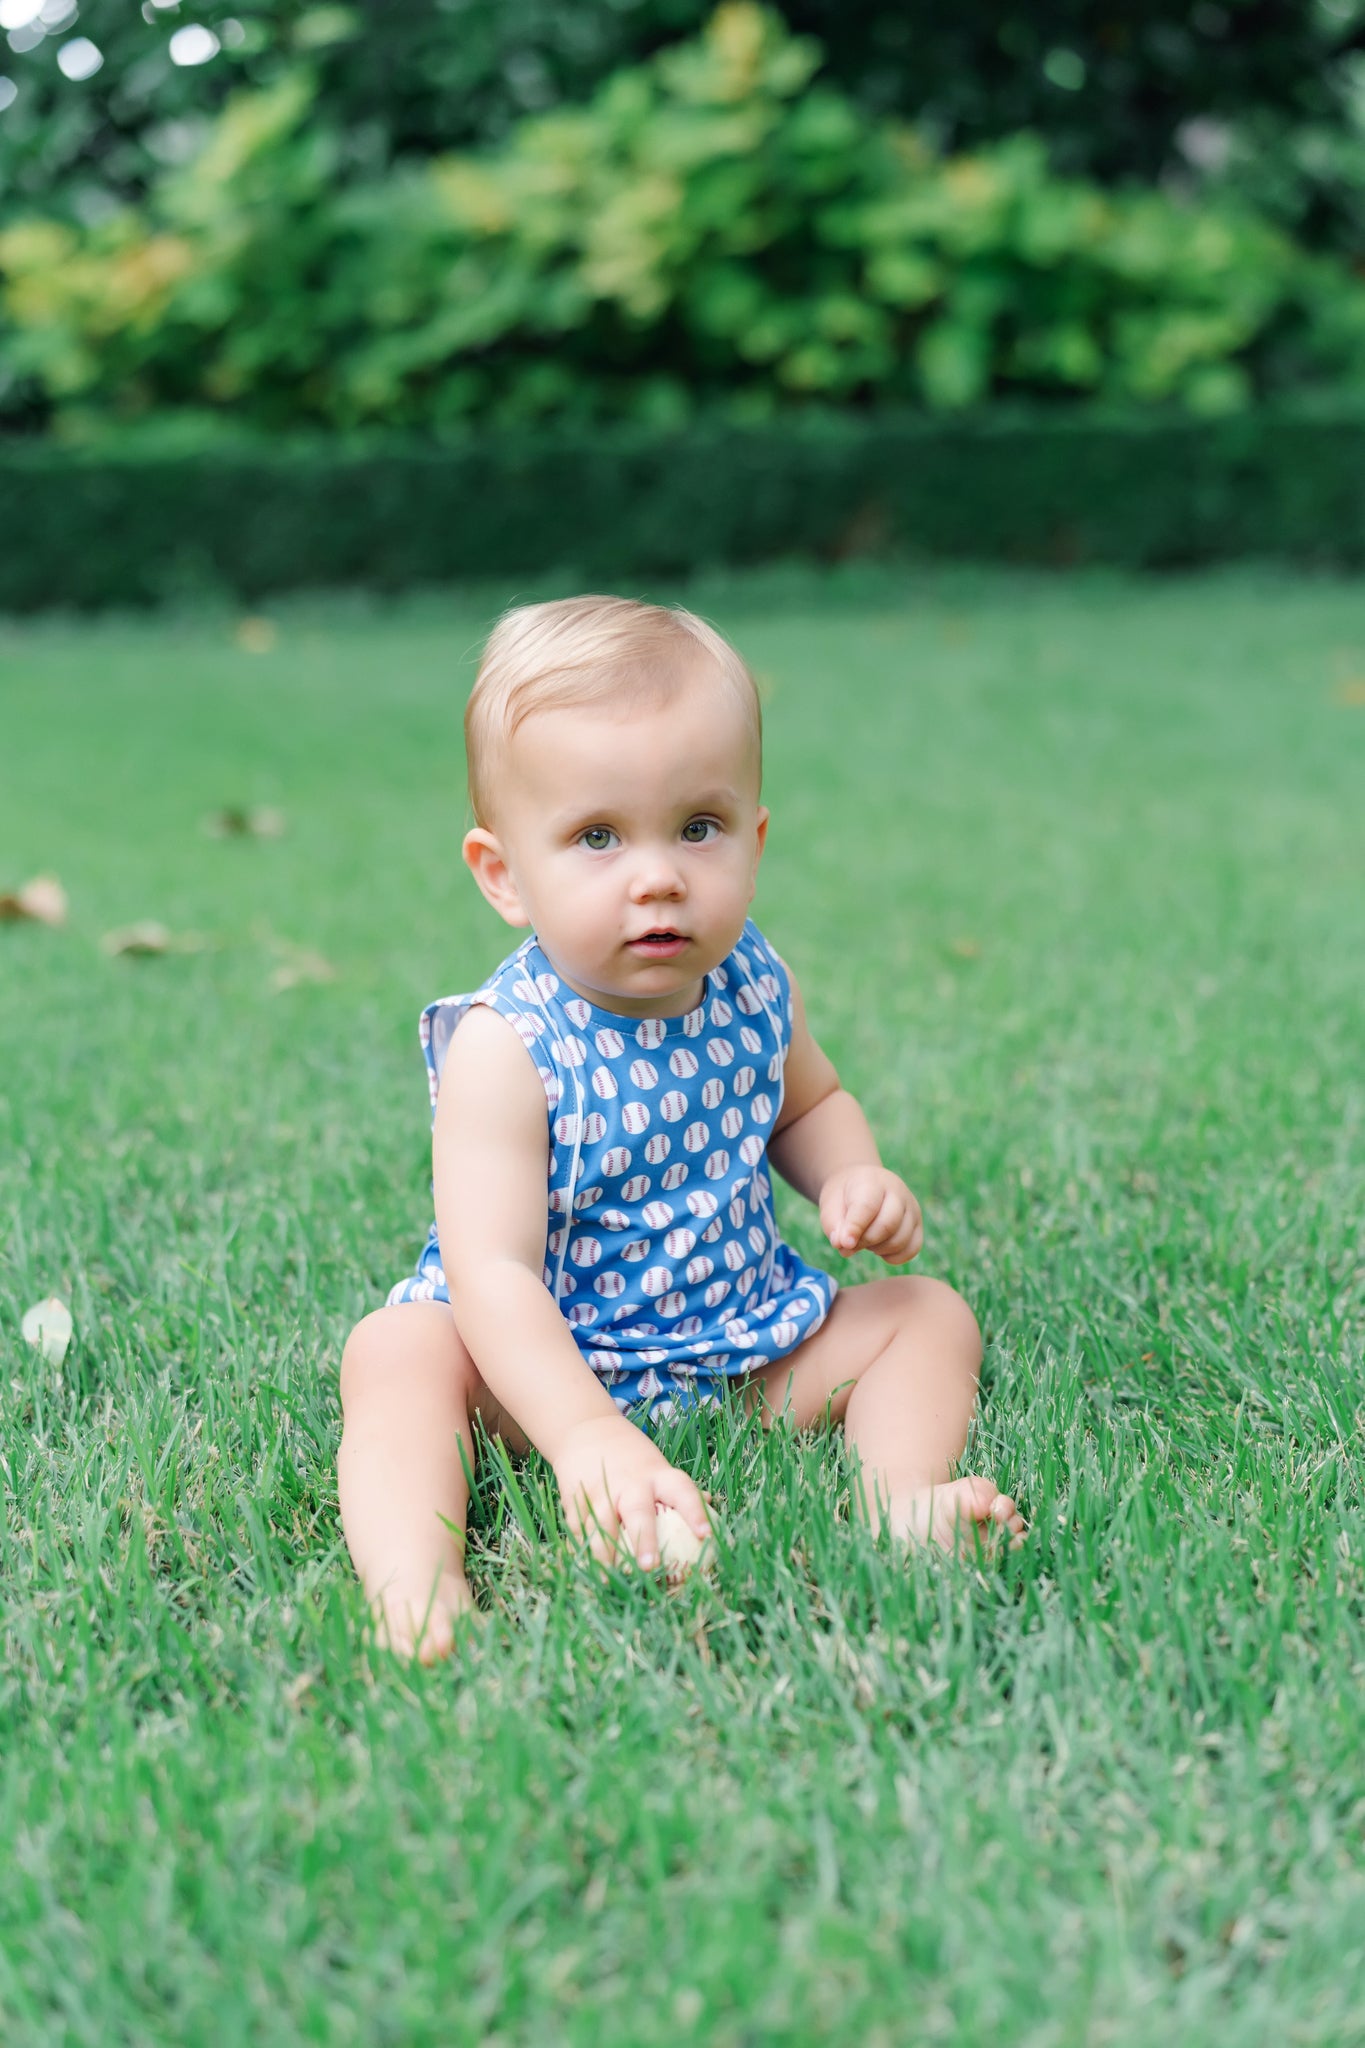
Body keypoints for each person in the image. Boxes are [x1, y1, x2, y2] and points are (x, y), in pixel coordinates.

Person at [337, 595, 1024, 1660]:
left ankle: (906, 1502)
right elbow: (495, 1274)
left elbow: (809, 1102)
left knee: (924, 1312)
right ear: (504, 873)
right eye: (597, 835)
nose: (658, 873)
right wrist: (583, 1432)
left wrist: (851, 1174)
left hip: (739, 1341)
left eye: (697, 826)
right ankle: (415, 1593)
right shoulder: (506, 1046)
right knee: (397, 1353)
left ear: (753, 839)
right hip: (542, 1365)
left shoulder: (751, 980)